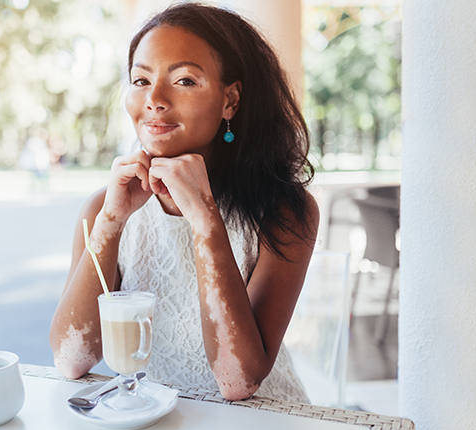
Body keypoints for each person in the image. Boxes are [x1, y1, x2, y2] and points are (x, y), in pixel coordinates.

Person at [49, 2, 319, 403]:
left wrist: (205, 219)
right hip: (155, 419)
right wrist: (112, 219)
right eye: (140, 80)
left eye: (185, 81)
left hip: (260, 423)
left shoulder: (283, 212)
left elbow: (238, 381)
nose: (154, 99)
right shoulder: (103, 209)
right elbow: (71, 359)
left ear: (230, 101)